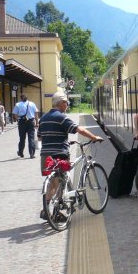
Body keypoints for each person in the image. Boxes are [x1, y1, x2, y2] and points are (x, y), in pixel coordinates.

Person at [38, 91, 103, 220]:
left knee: (52, 183)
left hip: (45, 155)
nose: (67, 105)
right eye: (66, 103)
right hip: (59, 154)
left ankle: (46, 209)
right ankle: (57, 211)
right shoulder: (61, 117)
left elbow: (40, 136)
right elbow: (79, 129)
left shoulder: (43, 118)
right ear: (61, 103)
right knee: (60, 182)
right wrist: (94, 137)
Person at [12, 93, 39, 158]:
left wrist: (18, 119)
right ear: (27, 98)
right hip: (31, 121)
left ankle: (21, 152)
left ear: (21, 98)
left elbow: (15, 114)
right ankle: (31, 154)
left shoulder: (18, 104)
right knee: (31, 138)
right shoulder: (32, 103)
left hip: (22, 122)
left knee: (22, 138)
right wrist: (37, 122)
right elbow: (36, 113)